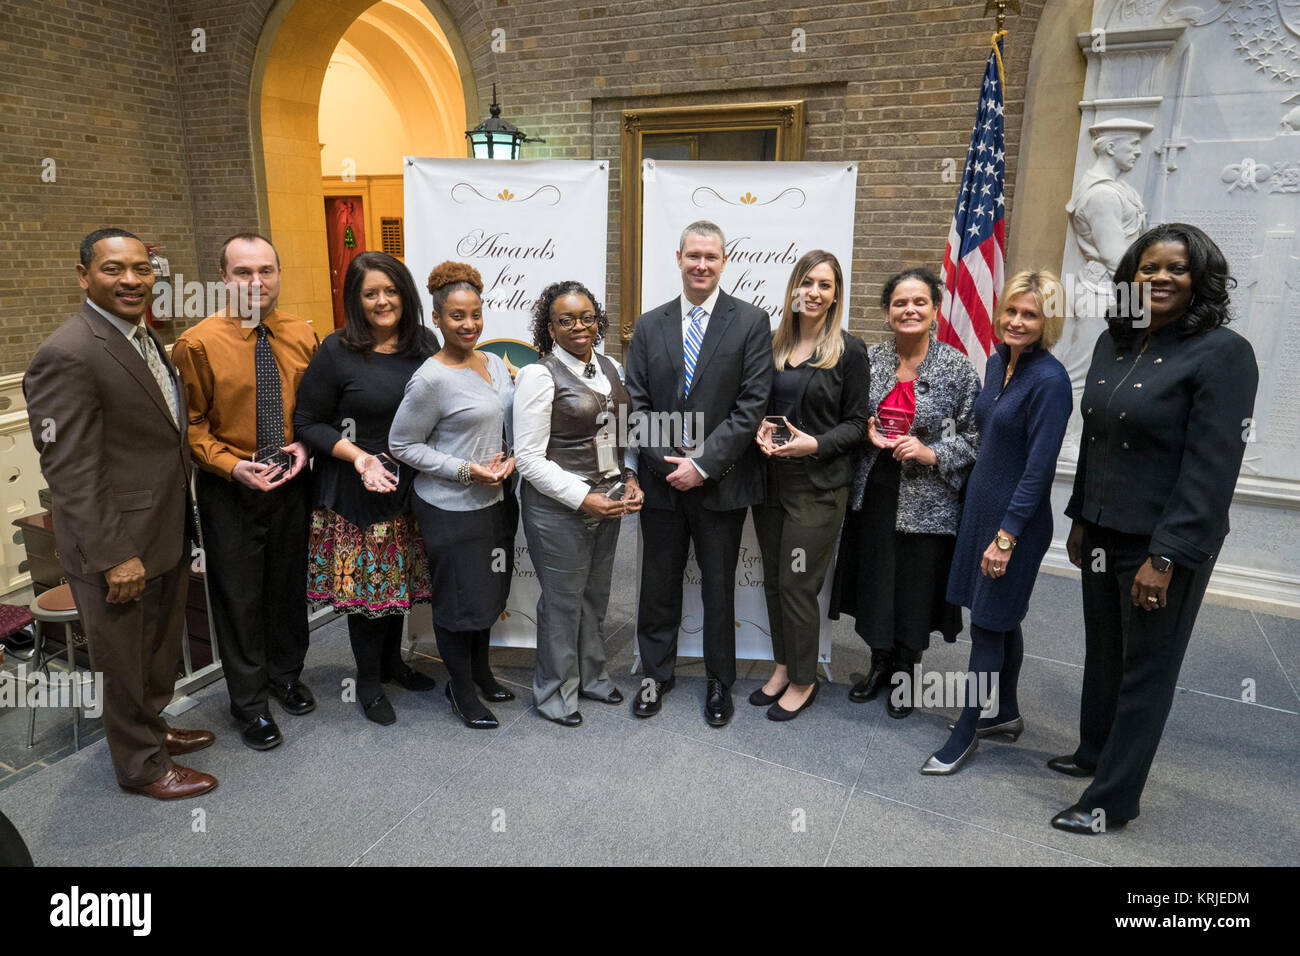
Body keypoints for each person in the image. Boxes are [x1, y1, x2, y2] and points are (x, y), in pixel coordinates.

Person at [1051, 223, 1258, 833]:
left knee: (1146, 667)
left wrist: (1165, 557)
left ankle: (1110, 800)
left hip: (1163, 543)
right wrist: (1081, 517)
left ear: (1201, 280)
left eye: (1176, 268)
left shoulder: (1224, 353)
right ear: (1130, 279)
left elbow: (1212, 469)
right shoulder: (1116, 342)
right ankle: (1094, 752)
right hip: (1103, 529)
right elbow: (1097, 437)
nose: (1160, 278)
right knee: (1104, 651)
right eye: (1148, 268)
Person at [23, 228, 216, 798]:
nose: (131, 279)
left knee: (157, 651)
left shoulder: (141, 338)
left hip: (162, 531)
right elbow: (72, 471)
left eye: (141, 268)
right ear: (83, 275)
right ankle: (142, 767)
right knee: (124, 662)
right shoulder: (68, 352)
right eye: (113, 269)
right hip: (117, 547)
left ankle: (153, 732)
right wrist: (114, 556)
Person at [171, 232, 320, 752]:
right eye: (243, 272)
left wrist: (304, 444)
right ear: (223, 278)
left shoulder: (304, 334)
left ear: (279, 274)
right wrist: (234, 468)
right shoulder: (196, 344)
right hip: (230, 490)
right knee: (239, 599)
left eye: (267, 270)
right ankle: (250, 704)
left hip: (291, 484)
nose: (257, 282)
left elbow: (313, 412)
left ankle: (285, 675)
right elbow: (189, 427)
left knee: (287, 589)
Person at [624, 220, 773, 727]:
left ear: (724, 261)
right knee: (657, 585)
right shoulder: (649, 324)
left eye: (711, 256)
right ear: (679, 257)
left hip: (721, 484)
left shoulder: (751, 322)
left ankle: (718, 681)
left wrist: (703, 465)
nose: (701, 265)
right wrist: (672, 464)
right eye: (693, 256)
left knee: (718, 587)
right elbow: (637, 407)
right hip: (663, 482)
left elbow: (751, 407)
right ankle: (655, 675)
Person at [923, 270, 1073, 774]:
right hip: (979, 511)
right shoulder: (995, 363)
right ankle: (1003, 712)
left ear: (1047, 321)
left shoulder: (1050, 383)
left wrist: (1006, 537)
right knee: (1000, 618)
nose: (1016, 321)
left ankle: (967, 732)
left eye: (1030, 314)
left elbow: (1038, 469)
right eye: (1011, 310)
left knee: (987, 625)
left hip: (1016, 524)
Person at [293, 251, 440, 726]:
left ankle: (394, 664)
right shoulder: (337, 349)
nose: (382, 301)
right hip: (356, 489)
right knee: (366, 595)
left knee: (395, 584)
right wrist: (358, 458)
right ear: (355, 300)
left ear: (405, 292)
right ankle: (369, 682)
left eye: (391, 290)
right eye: (370, 293)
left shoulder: (425, 343)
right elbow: (308, 422)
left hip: (409, 486)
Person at [829, 267, 980, 718]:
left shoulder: (956, 367)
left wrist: (932, 451)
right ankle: (877, 663)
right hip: (873, 490)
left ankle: (905, 671)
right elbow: (846, 418)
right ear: (886, 311)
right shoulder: (866, 359)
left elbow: (976, 433)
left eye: (919, 302)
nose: (909, 310)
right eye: (899, 303)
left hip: (928, 498)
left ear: (935, 310)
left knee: (914, 587)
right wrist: (865, 431)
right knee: (875, 578)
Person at [389, 261, 516, 730]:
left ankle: (481, 673)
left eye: (476, 314)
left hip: (496, 501)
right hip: (449, 508)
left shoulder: (490, 363)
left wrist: (511, 459)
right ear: (438, 320)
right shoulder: (430, 378)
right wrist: (465, 470)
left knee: (487, 594)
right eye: (457, 316)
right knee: (458, 600)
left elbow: (504, 422)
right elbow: (401, 445)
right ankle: (460, 691)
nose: (469, 325)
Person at [513, 281, 643, 726]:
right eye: (565, 320)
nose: (579, 327)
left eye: (587, 317)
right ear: (549, 327)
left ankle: (592, 676)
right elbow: (528, 459)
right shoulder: (538, 375)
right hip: (558, 508)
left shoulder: (609, 366)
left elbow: (616, 435)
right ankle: (554, 692)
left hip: (606, 500)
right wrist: (582, 498)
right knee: (563, 602)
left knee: (594, 597)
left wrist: (628, 477)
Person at [750, 251, 868, 721]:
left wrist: (813, 444)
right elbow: (757, 404)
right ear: (793, 289)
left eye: (825, 284)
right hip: (771, 483)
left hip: (818, 489)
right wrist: (759, 427)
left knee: (797, 584)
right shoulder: (774, 346)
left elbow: (858, 424)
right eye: (807, 282)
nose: (814, 292)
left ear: (836, 293)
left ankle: (804, 679)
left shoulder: (849, 350)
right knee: (777, 585)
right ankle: (784, 666)